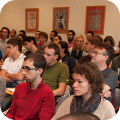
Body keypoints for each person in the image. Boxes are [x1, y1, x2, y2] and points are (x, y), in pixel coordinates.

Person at [52, 62, 117, 120]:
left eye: (79, 81)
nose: (74, 85)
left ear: (92, 83)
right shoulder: (69, 101)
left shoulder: (106, 108)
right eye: (75, 81)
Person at [4, 53, 55, 120]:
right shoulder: (20, 87)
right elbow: (11, 112)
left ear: (39, 71)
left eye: (28, 69)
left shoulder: (47, 94)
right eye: (23, 68)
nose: (23, 73)